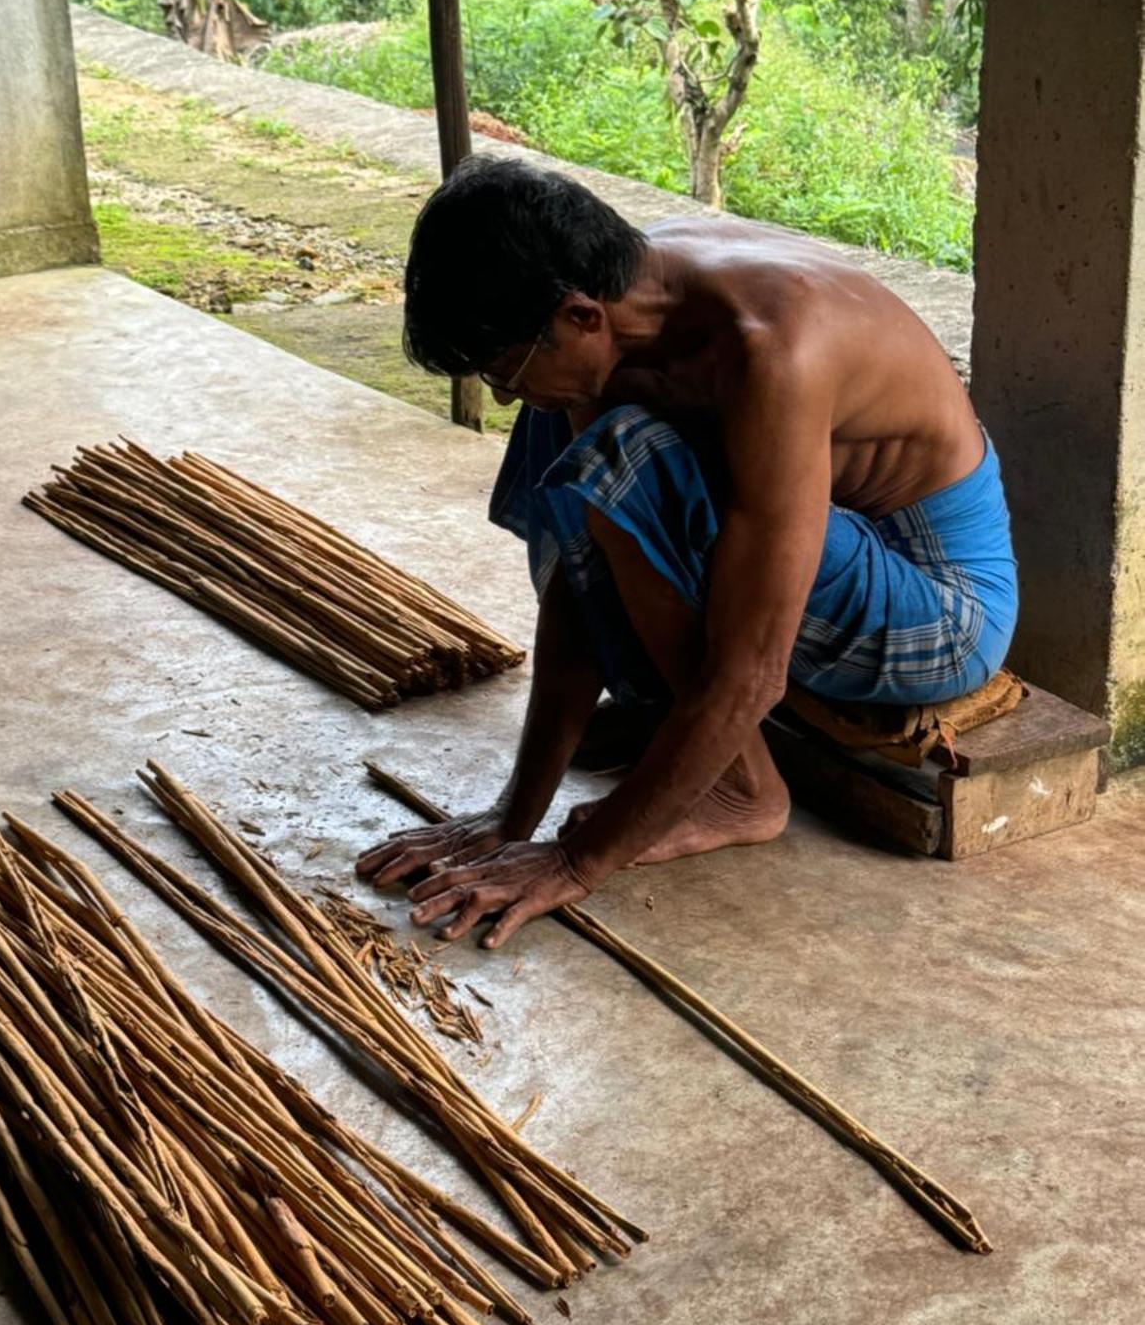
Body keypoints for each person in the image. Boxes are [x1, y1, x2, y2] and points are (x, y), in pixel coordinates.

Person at [356, 156, 1017, 948]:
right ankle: (687, 740)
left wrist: (574, 862)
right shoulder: (617, 296)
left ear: (578, 316)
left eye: (504, 370)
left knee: (627, 456)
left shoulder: (770, 350)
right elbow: (579, 570)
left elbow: (752, 670)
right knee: (571, 429)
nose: (500, 394)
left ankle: (742, 789)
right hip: (831, 542)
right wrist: (513, 813)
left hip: (941, 605)